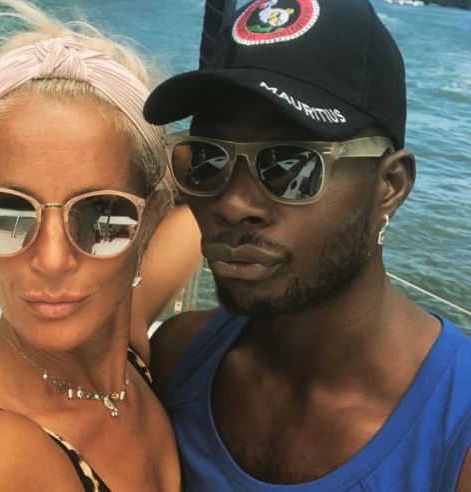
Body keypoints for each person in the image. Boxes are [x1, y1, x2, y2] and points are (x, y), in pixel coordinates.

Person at [144, 0, 471, 490]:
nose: (233, 204)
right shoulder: (176, 358)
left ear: (390, 185)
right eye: (208, 159)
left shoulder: (456, 436)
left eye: (292, 166)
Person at [0, 1, 201, 490]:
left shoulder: (121, 345)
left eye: (102, 214)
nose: (53, 259)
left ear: (149, 220)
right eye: (7, 212)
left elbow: (195, 221)